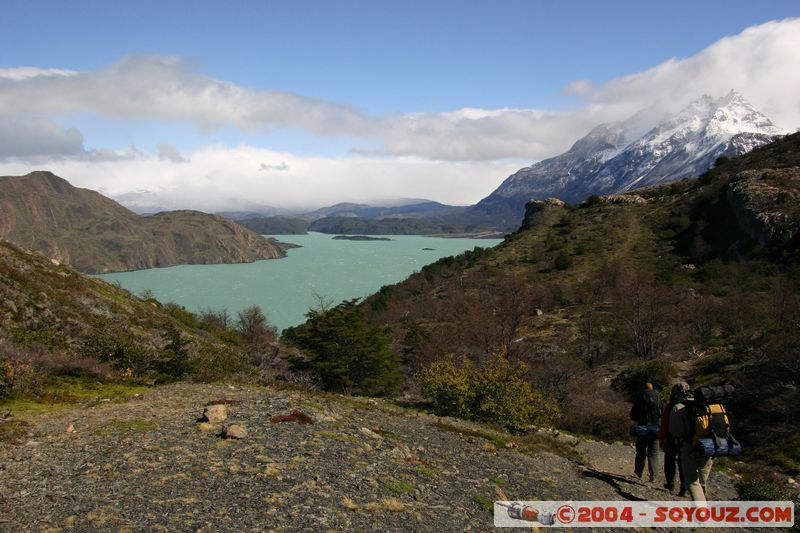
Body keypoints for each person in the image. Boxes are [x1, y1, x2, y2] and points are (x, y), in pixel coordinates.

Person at [668, 384, 713, 502]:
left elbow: (675, 431)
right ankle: (704, 501)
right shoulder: (707, 406)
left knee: (692, 480)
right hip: (710, 446)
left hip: (689, 446)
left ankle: (701, 512)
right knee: (702, 478)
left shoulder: (678, 407)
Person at [629, 382, 663, 482]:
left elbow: (632, 415)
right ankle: (654, 476)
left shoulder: (640, 400)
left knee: (641, 452)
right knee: (654, 453)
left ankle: (638, 473)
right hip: (656, 429)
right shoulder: (658, 400)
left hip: (642, 428)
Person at [659, 383, 688, 496]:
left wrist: (661, 439)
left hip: (672, 438)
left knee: (669, 461)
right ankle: (684, 487)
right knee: (683, 463)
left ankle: (670, 483)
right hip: (687, 439)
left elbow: (664, 424)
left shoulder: (671, 406)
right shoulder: (691, 404)